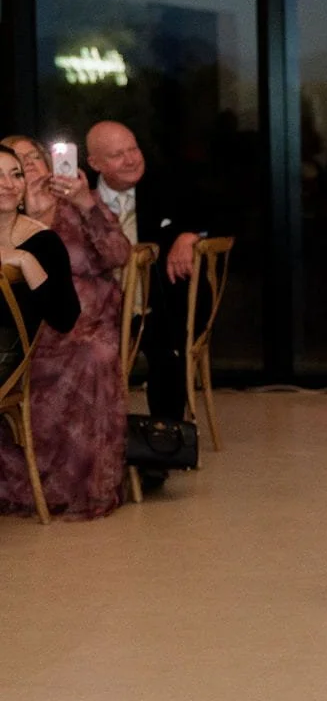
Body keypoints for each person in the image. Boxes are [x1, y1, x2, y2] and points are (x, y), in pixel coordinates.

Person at [0, 137, 130, 519]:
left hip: (80, 326)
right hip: (26, 330)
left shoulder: (72, 210)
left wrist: (85, 202)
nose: (16, 177)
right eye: (9, 169)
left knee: (94, 354)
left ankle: (78, 487)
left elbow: (118, 254)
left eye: (25, 164)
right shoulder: (13, 220)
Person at [85, 121, 211, 423]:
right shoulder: (81, 196)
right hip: (94, 308)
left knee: (166, 348)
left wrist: (191, 234)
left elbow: (216, 211)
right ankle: (90, 439)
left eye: (133, 149)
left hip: (157, 304)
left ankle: (164, 439)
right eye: (118, 155)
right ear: (95, 163)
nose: (131, 160)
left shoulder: (165, 184)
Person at [0, 146, 84, 518]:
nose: (7, 185)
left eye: (15, 174)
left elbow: (66, 317)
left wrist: (27, 262)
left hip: (7, 355)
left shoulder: (43, 242)